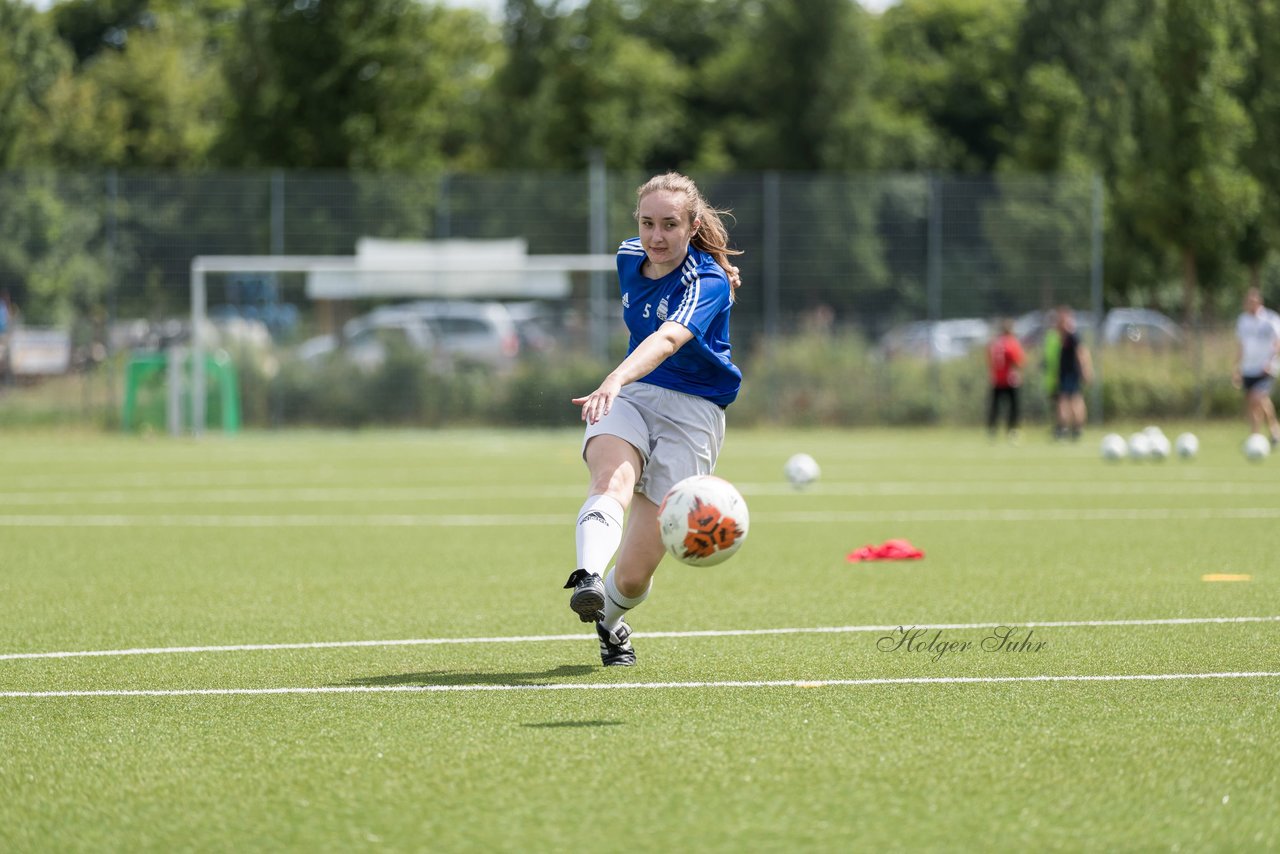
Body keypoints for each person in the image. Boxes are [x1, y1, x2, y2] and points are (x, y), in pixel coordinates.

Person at [564, 172, 743, 667]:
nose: (656, 237)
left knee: (636, 573)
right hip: (633, 394)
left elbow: (666, 340)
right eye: (647, 223)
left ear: (692, 226)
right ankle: (586, 577)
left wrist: (614, 376)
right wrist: (619, 384)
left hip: (694, 412)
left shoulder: (705, 281)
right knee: (611, 477)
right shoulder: (628, 254)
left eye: (669, 225)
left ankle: (611, 622)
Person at [1232, 287, 1280, 446]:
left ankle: (1259, 434)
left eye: (1253, 301)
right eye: (1248, 301)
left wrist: (1271, 361)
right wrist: (1236, 368)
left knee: (1256, 398)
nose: (1250, 304)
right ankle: (1267, 432)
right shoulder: (1242, 321)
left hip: (1265, 368)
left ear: (1259, 301)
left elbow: (1277, 343)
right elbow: (1240, 346)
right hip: (1248, 368)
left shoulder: (1271, 319)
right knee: (1256, 402)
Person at [1055, 307, 1092, 441]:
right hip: (1066, 374)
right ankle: (1071, 429)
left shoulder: (1072, 336)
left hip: (1071, 374)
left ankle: (1072, 429)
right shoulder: (1064, 337)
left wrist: (1085, 370)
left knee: (1071, 400)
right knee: (1068, 400)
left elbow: (1082, 353)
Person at [986, 318, 1025, 440]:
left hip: (997, 379)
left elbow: (990, 358)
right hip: (1010, 379)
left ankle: (992, 430)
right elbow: (1017, 361)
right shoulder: (1011, 343)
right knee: (1013, 407)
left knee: (995, 406)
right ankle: (1012, 430)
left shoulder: (995, 343)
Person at [1040, 309, 1064, 439]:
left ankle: (1062, 428)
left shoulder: (1059, 337)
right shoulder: (1050, 336)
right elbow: (1048, 356)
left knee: (1061, 403)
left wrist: (1059, 374)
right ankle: (1058, 427)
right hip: (1050, 378)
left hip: (1058, 376)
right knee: (1055, 405)